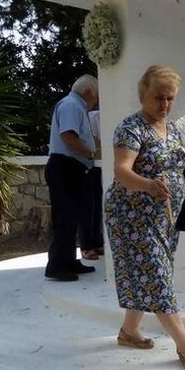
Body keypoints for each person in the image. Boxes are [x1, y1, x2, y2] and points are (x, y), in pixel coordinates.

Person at [104, 65, 185, 370]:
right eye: (158, 97)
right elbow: (121, 171)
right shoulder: (131, 128)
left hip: (165, 219)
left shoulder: (172, 129)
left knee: (150, 275)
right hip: (131, 217)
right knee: (157, 277)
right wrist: (149, 185)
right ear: (143, 94)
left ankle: (129, 332)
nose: (164, 105)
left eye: (170, 99)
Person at [45, 75, 99, 282]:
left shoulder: (74, 105)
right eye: (95, 97)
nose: (95, 102)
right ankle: (57, 266)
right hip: (64, 167)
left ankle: (68, 261)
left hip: (69, 167)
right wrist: (89, 154)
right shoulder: (72, 105)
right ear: (87, 93)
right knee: (65, 217)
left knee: (71, 217)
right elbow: (68, 136)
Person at [79, 109, 105, 260]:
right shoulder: (93, 117)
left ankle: (97, 241)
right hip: (88, 164)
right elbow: (94, 142)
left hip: (101, 166)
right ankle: (86, 246)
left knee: (97, 204)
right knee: (87, 205)